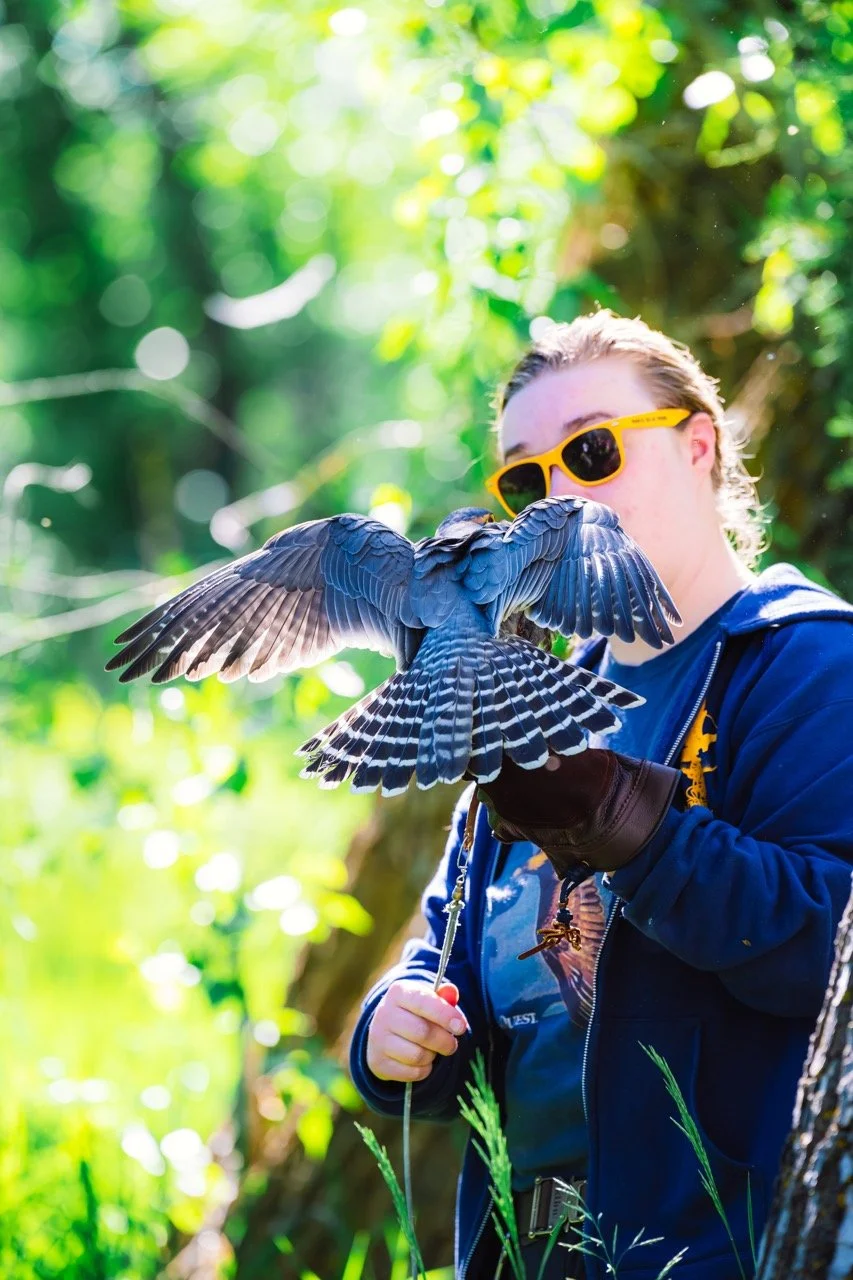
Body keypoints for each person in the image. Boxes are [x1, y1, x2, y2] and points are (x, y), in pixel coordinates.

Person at [348, 310, 853, 1279]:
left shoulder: (808, 663)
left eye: (592, 450)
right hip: (521, 1251)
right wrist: (395, 1024)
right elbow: (452, 952)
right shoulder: (521, 689)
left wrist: (631, 827)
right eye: (526, 478)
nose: (559, 498)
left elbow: (829, 947)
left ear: (698, 444)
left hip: (717, 1251)